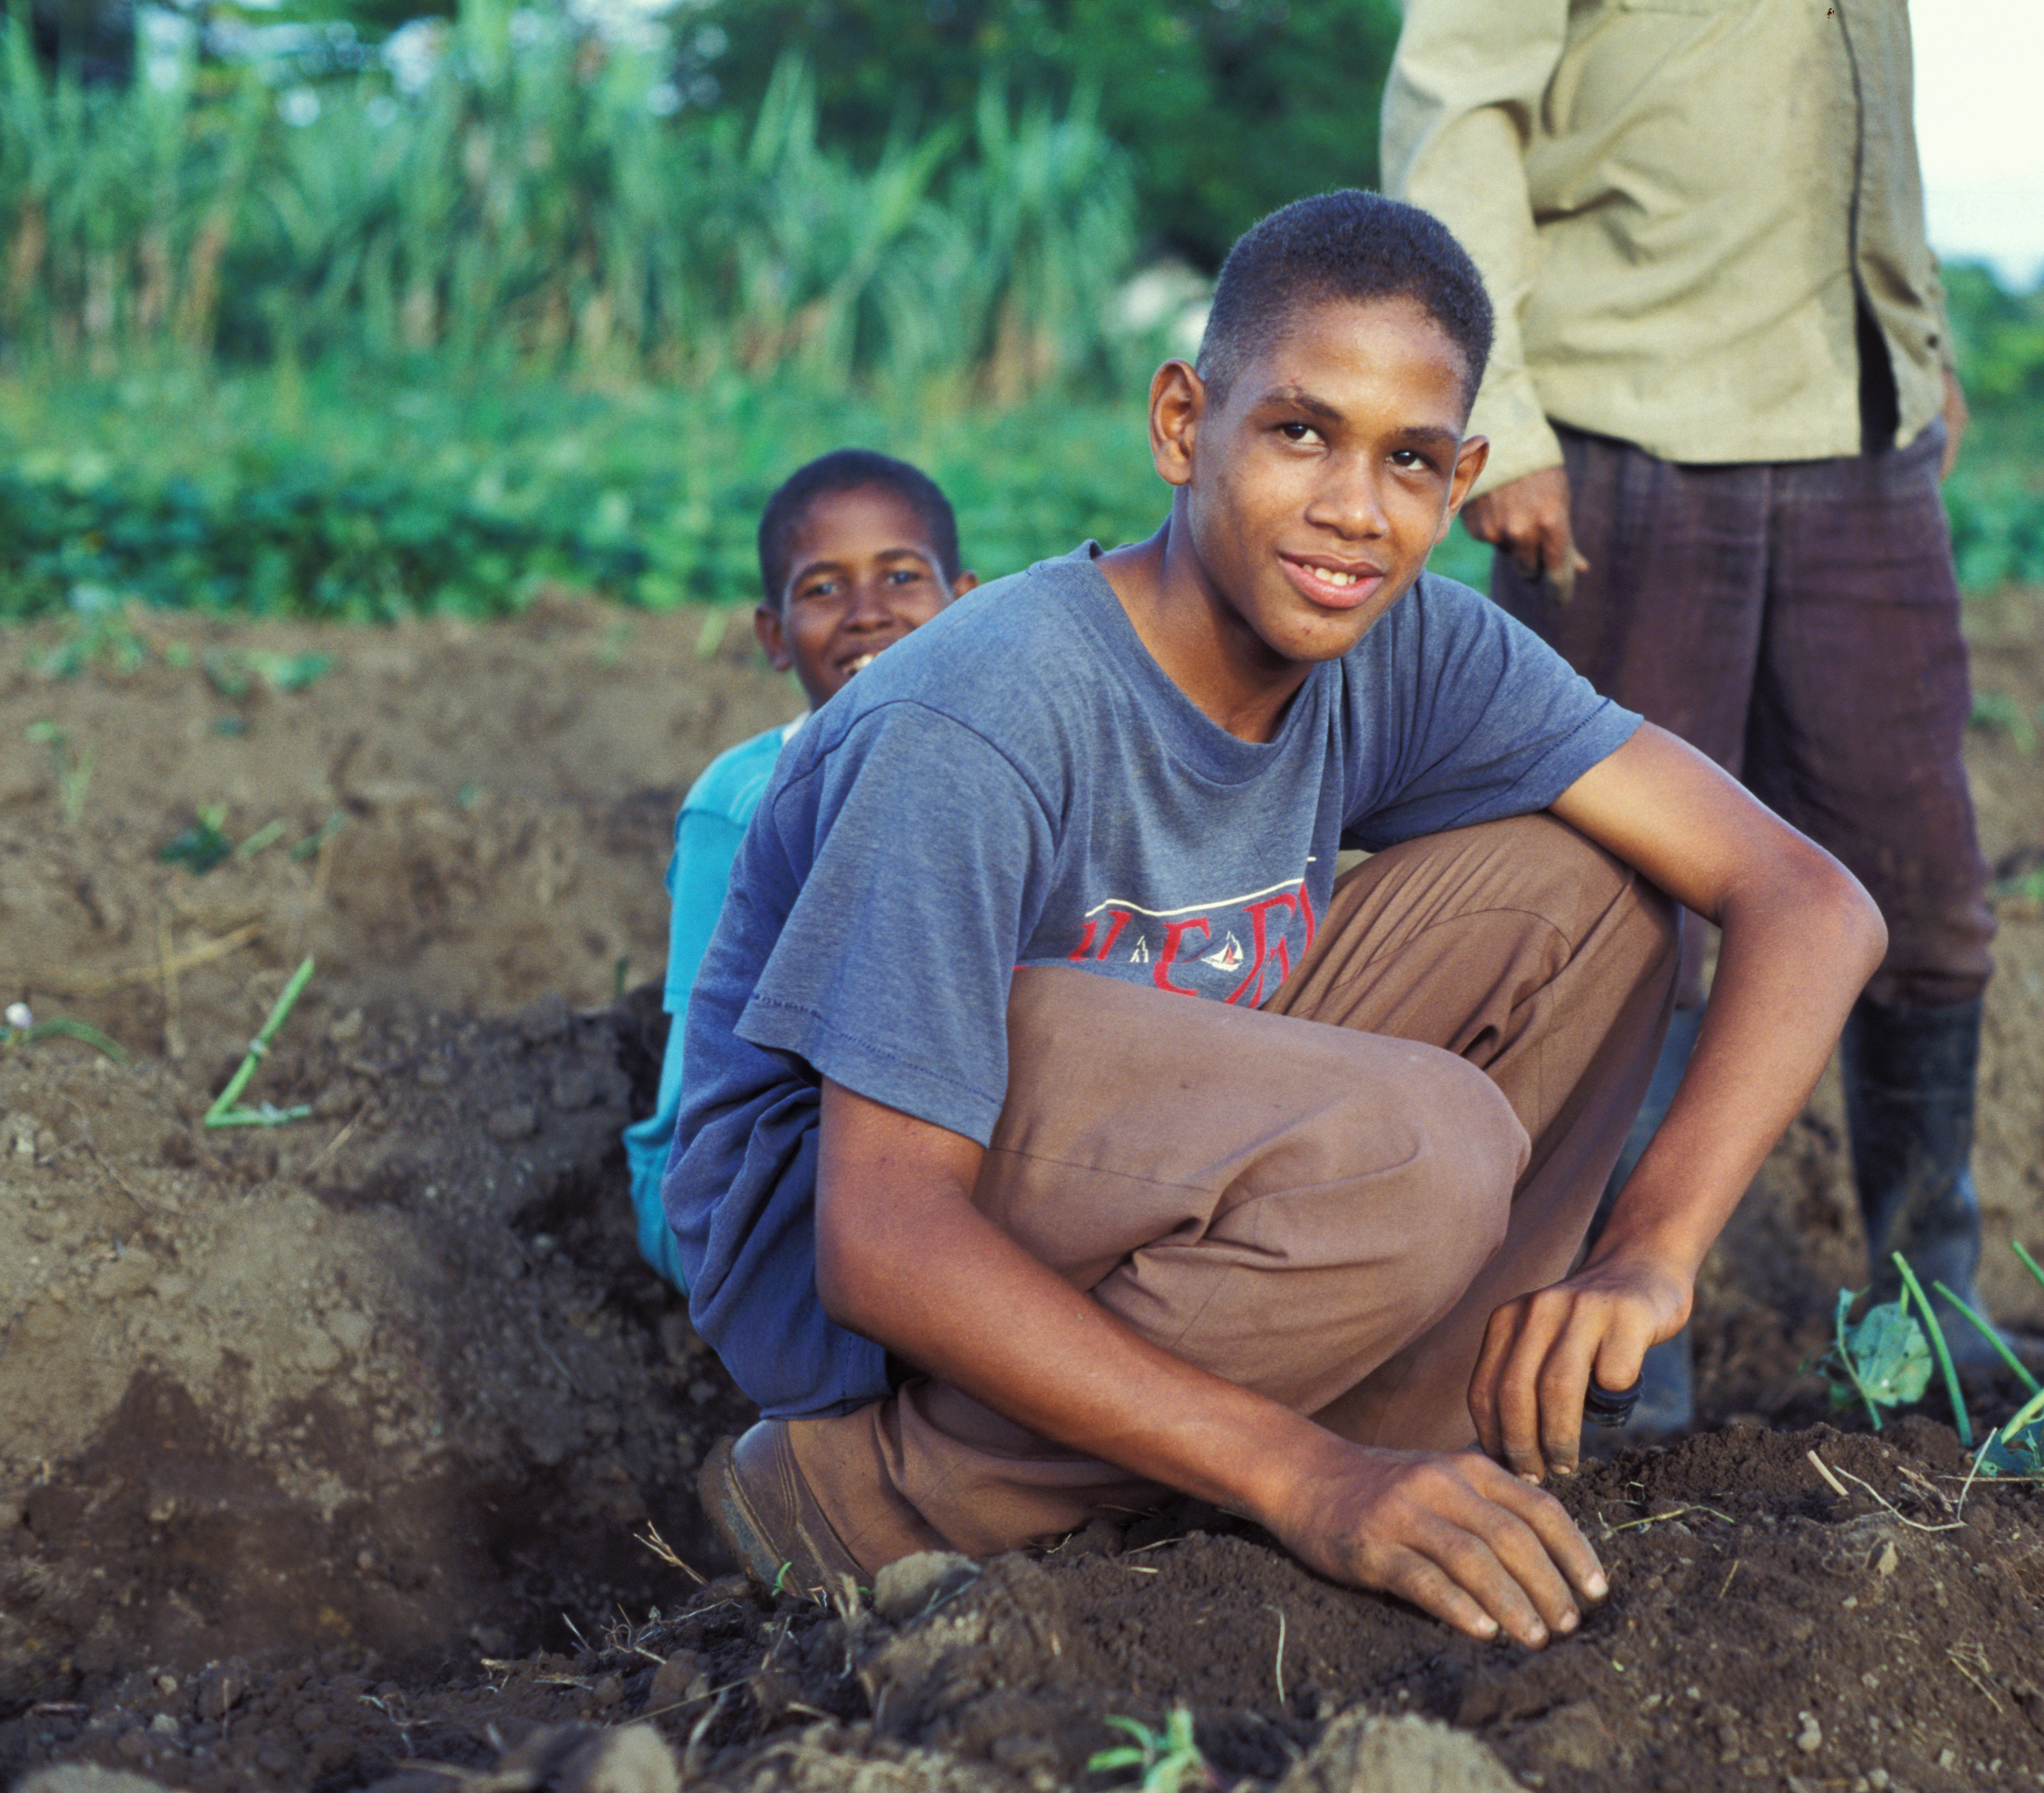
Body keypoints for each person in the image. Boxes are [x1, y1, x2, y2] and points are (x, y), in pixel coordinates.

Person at [667, 191, 1886, 1645]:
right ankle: (882, 1495)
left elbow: (1808, 897)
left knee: (1603, 896)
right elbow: (879, 1232)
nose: (1353, 510)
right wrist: (1301, 1480)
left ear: (1461, 479)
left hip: (1119, 1135)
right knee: (1419, 1148)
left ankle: (1399, 1434)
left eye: (1409, 459)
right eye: (1300, 432)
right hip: (847, 1225)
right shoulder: (982, 709)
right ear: (1183, 424)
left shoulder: (1412, 642)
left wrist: (1650, 1248)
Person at [1381, 0, 2004, 1407]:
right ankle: (1607, 1351)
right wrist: (1499, 411)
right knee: (1621, 906)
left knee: (1925, 888)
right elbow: (1459, 107)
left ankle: (1931, 1307)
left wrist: (1921, 338)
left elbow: (1861, 113)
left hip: (1859, 423)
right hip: (1628, 416)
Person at [620, 450, 976, 1288]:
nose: (867, 613)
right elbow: (721, 1086)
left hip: (926, 1152)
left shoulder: (1004, 775)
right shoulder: (742, 806)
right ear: (775, 637)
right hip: (748, 1192)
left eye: (900, 576)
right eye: (823, 588)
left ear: (965, 604)